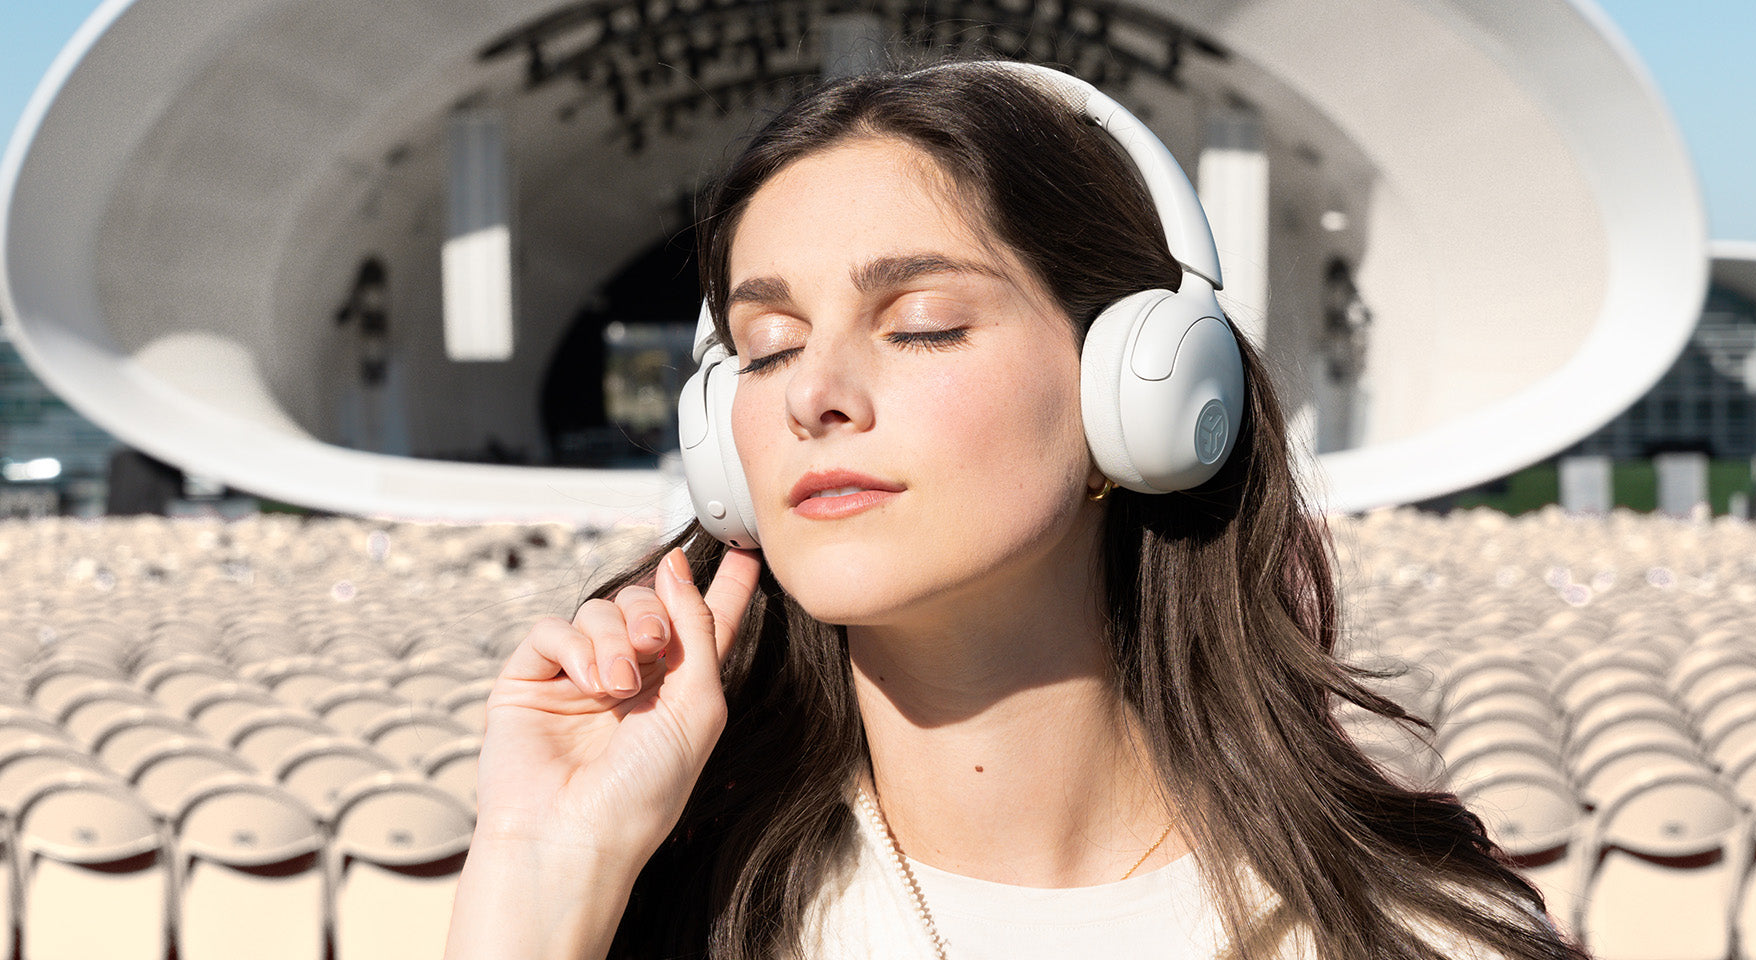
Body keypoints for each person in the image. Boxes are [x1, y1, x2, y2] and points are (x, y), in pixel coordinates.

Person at [444, 58, 1586, 960]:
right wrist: (543, 875)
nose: (813, 396)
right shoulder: (644, 915)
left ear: (1138, 383)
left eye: (924, 323)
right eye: (767, 346)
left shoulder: (1419, 939)